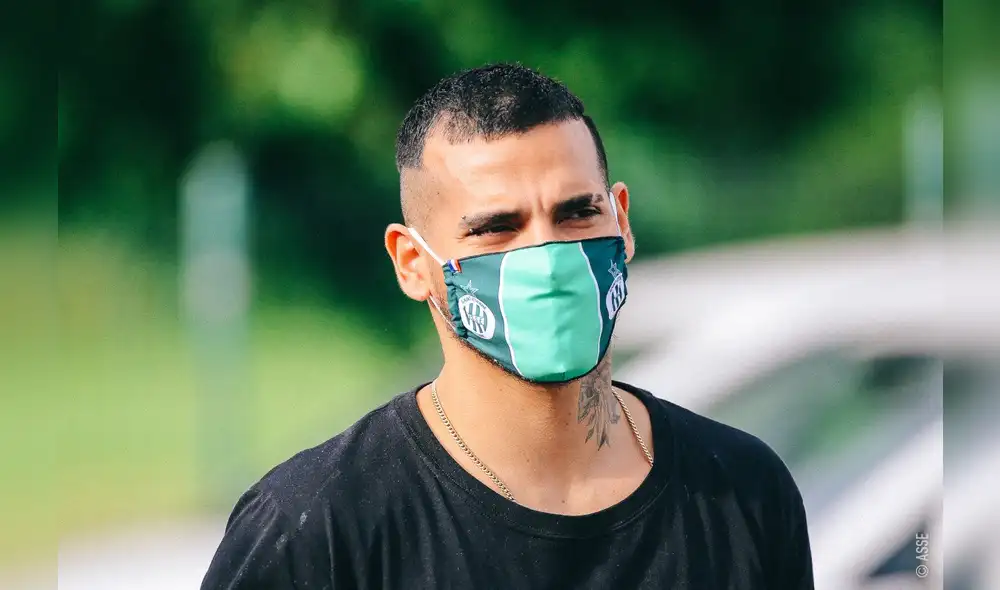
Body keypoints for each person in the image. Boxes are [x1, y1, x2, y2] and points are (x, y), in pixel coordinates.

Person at [201, 63, 814, 589]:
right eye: (497, 228)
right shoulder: (318, 529)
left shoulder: (744, 492)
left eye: (577, 213)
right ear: (414, 264)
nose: (548, 256)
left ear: (621, 222)